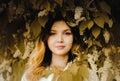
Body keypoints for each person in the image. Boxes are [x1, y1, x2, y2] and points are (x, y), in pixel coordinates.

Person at [21, 11, 89, 81]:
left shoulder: (85, 73)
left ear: (74, 38)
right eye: (52, 34)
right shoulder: (30, 76)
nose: (60, 40)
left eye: (67, 33)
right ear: (45, 38)